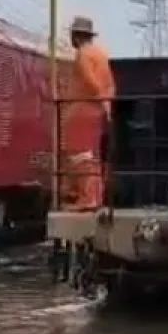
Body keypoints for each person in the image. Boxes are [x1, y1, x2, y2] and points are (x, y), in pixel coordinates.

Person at [63, 15, 115, 209]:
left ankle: (87, 197)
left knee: (79, 154)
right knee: (92, 156)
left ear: (77, 36)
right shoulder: (101, 54)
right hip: (98, 109)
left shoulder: (83, 55)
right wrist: (106, 104)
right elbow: (110, 84)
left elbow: (89, 80)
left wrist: (98, 98)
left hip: (82, 109)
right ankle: (94, 196)